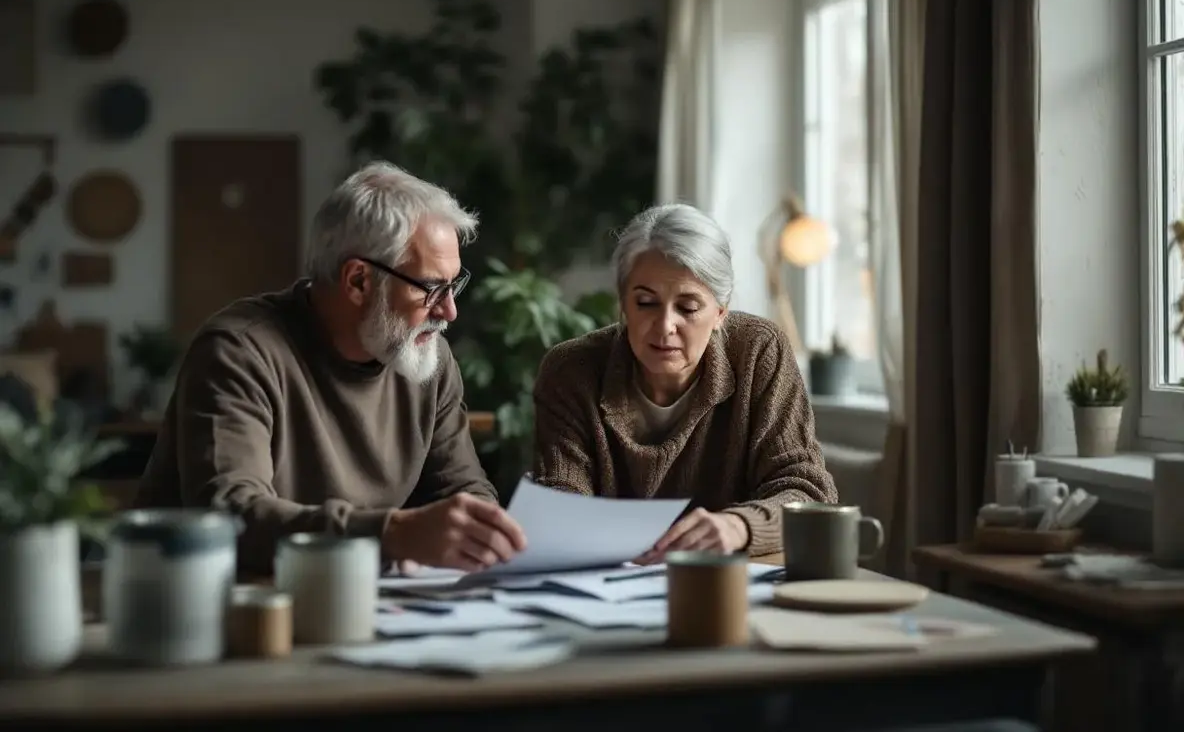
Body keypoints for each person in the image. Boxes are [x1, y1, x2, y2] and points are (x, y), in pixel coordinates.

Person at [135, 161, 527, 575]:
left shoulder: (426, 358)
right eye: (432, 288)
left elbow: (463, 489)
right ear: (358, 281)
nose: (449, 310)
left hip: (359, 602)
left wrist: (482, 533)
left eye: (454, 285)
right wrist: (391, 534)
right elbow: (230, 517)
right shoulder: (239, 351)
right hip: (205, 607)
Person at [532, 203, 838, 561]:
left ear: (720, 312)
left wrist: (738, 526)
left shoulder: (759, 351)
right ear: (623, 305)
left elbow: (806, 488)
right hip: (605, 583)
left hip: (730, 581)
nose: (665, 327)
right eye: (646, 303)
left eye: (688, 308)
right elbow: (559, 500)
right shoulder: (572, 369)